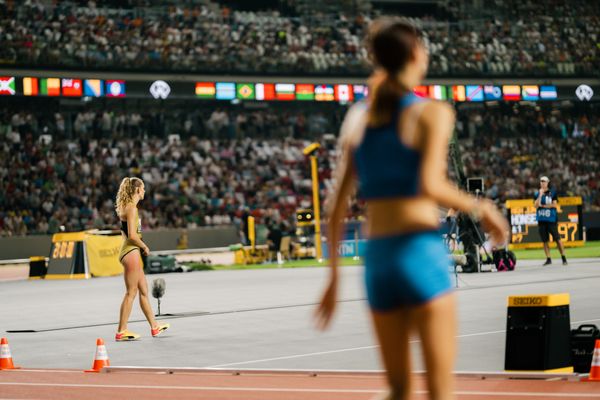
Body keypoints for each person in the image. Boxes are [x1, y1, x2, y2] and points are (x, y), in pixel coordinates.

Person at [315, 17, 508, 400]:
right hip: (419, 251)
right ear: (417, 54)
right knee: (439, 389)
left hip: (379, 261)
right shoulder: (432, 113)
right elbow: (430, 185)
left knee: (398, 389)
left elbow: (335, 206)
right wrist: (481, 206)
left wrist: (333, 279)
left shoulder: (359, 117)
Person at [115, 177, 169, 341]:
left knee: (144, 291)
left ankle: (154, 327)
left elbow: (125, 234)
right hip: (131, 251)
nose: (144, 191)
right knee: (131, 292)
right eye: (143, 188)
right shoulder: (131, 208)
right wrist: (143, 246)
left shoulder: (126, 207)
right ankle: (121, 331)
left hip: (130, 250)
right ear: (138, 190)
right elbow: (131, 235)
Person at [534, 176, 567, 266]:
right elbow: (536, 205)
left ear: (548, 182)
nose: (542, 183)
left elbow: (554, 205)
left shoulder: (553, 193)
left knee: (557, 239)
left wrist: (544, 206)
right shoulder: (537, 193)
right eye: (541, 181)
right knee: (544, 241)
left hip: (551, 219)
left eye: (544, 181)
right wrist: (540, 195)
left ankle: (563, 257)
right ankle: (548, 258)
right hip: (541, 220)